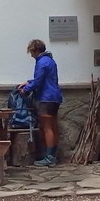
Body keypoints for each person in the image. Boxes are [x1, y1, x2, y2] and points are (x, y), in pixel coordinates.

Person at [18, 38, 63, 166]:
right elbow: (45, 78)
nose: (31, 55)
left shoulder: (41, 62)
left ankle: (49, 158)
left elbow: (38, 82)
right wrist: (28, 82)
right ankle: (53, 155)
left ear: (36, 50)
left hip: (46, 98)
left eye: (31, 52)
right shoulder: (50, 60)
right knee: (53, 127)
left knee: (47, 128)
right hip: (55, 97)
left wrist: (25, 89)